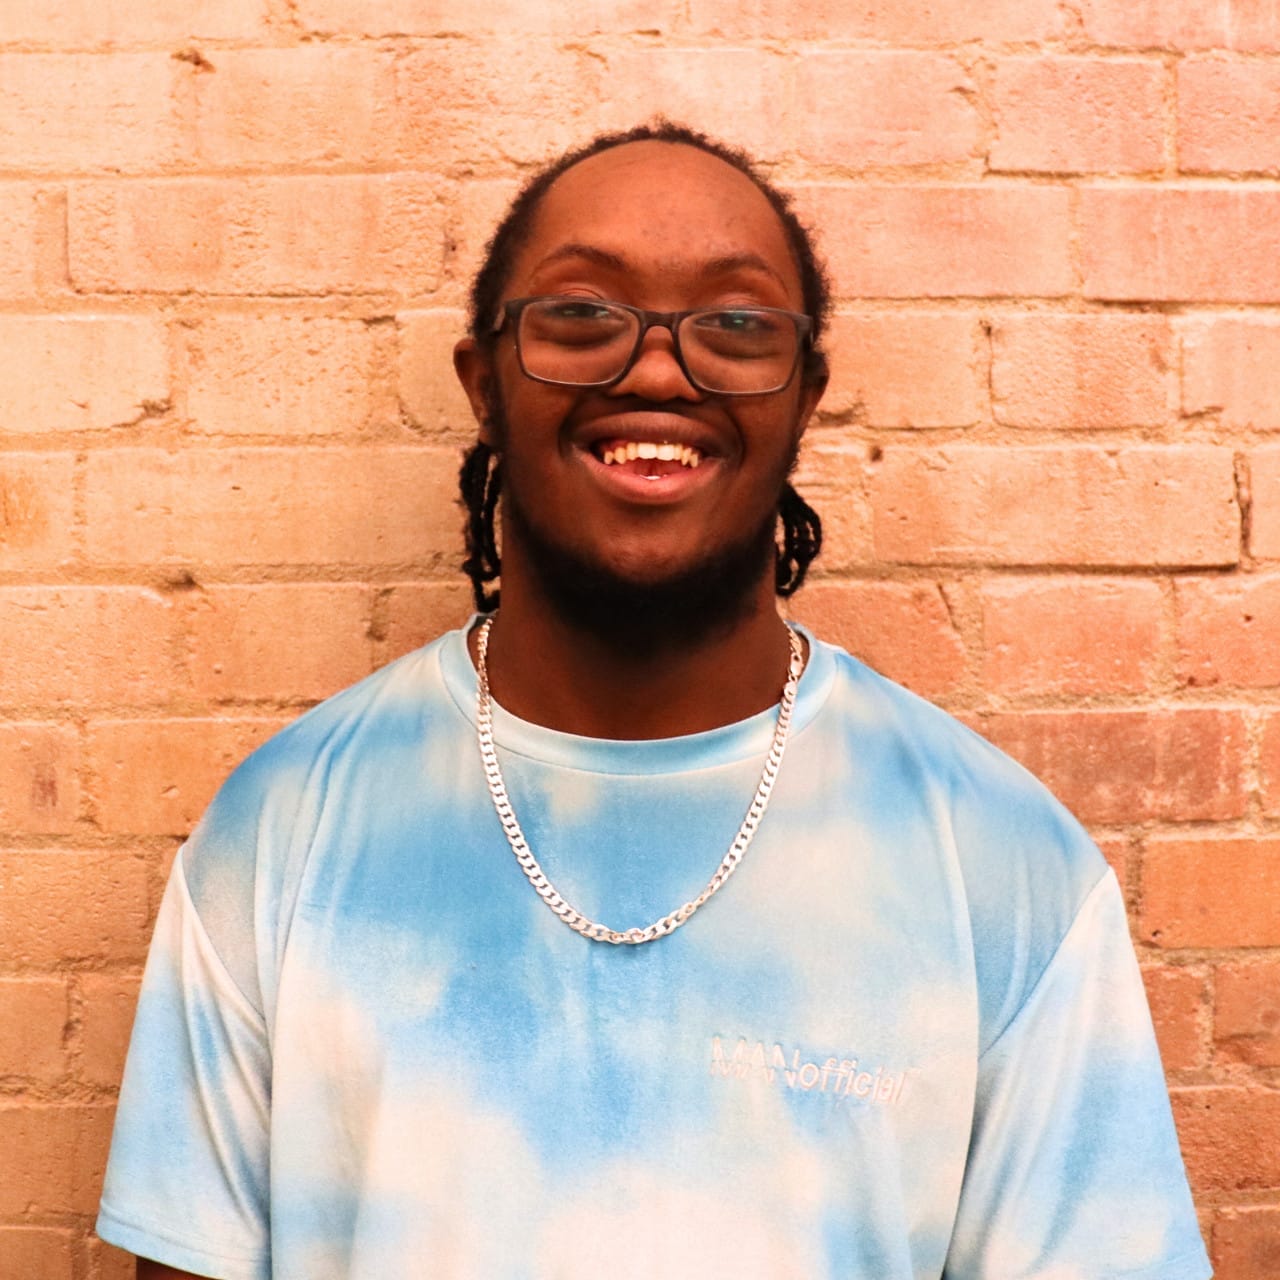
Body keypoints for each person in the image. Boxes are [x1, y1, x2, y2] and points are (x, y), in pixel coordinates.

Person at [96, 121, 1211, 1280]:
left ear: (804, 395)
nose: (658, 371)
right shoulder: (279, 830)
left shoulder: (1000, 859)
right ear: (483, 384)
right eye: (581, 313)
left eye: (735, 324)